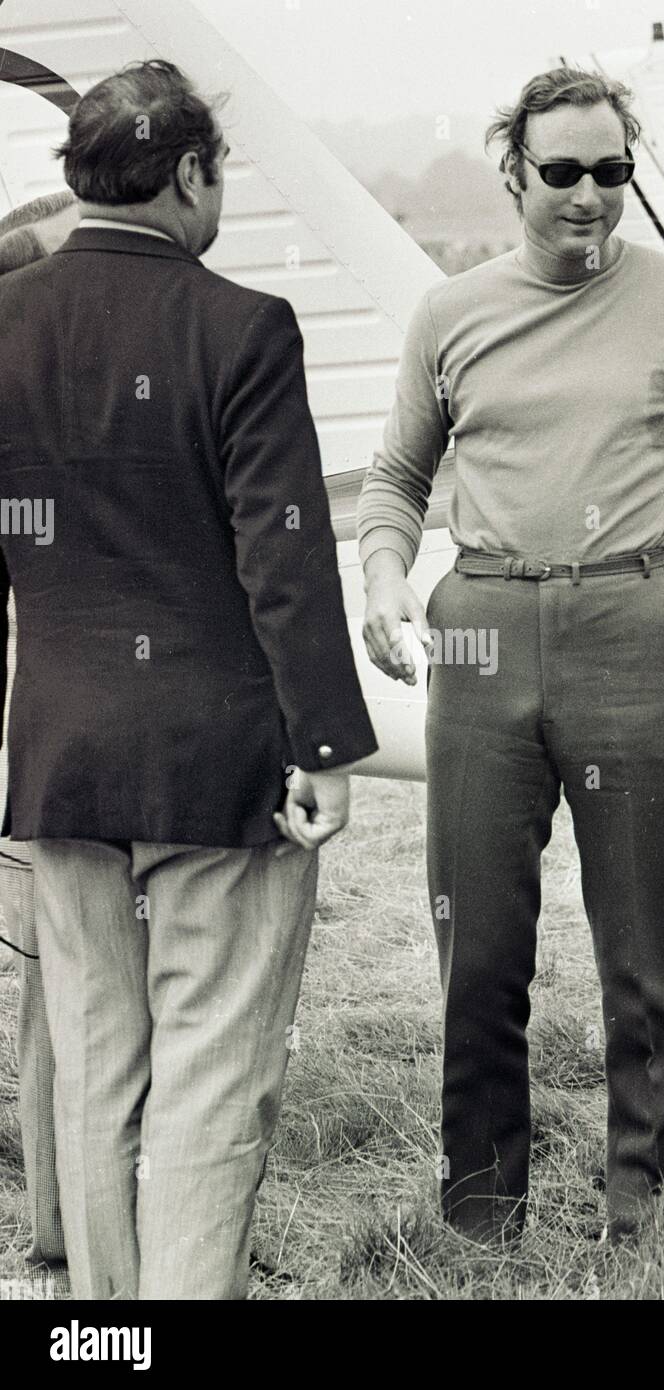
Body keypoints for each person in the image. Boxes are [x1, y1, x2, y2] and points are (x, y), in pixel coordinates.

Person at [357, 63, 664, 1244]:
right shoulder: (450, 314)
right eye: (563, 173)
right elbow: (395, 478)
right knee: (478, 953)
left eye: (612, 172)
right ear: (511, 172)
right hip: (481, 635)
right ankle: (481, 1217)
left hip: (631, 629)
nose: (589, 196)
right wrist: (386, 577)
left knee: (643, 955)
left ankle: (650, 1217)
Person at [0, 58, 377, 1299]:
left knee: (98, 1060)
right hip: (218, 765)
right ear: (193, 175)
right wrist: (323, 744)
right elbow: (282, 548)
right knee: (211, 1071)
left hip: (60, 756)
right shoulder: (242, 325)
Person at [0, 189, 80, 1280]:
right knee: (64, 992)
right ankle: (63, 1233)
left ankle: (60, 1229)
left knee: (55, 995)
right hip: (48, 748)